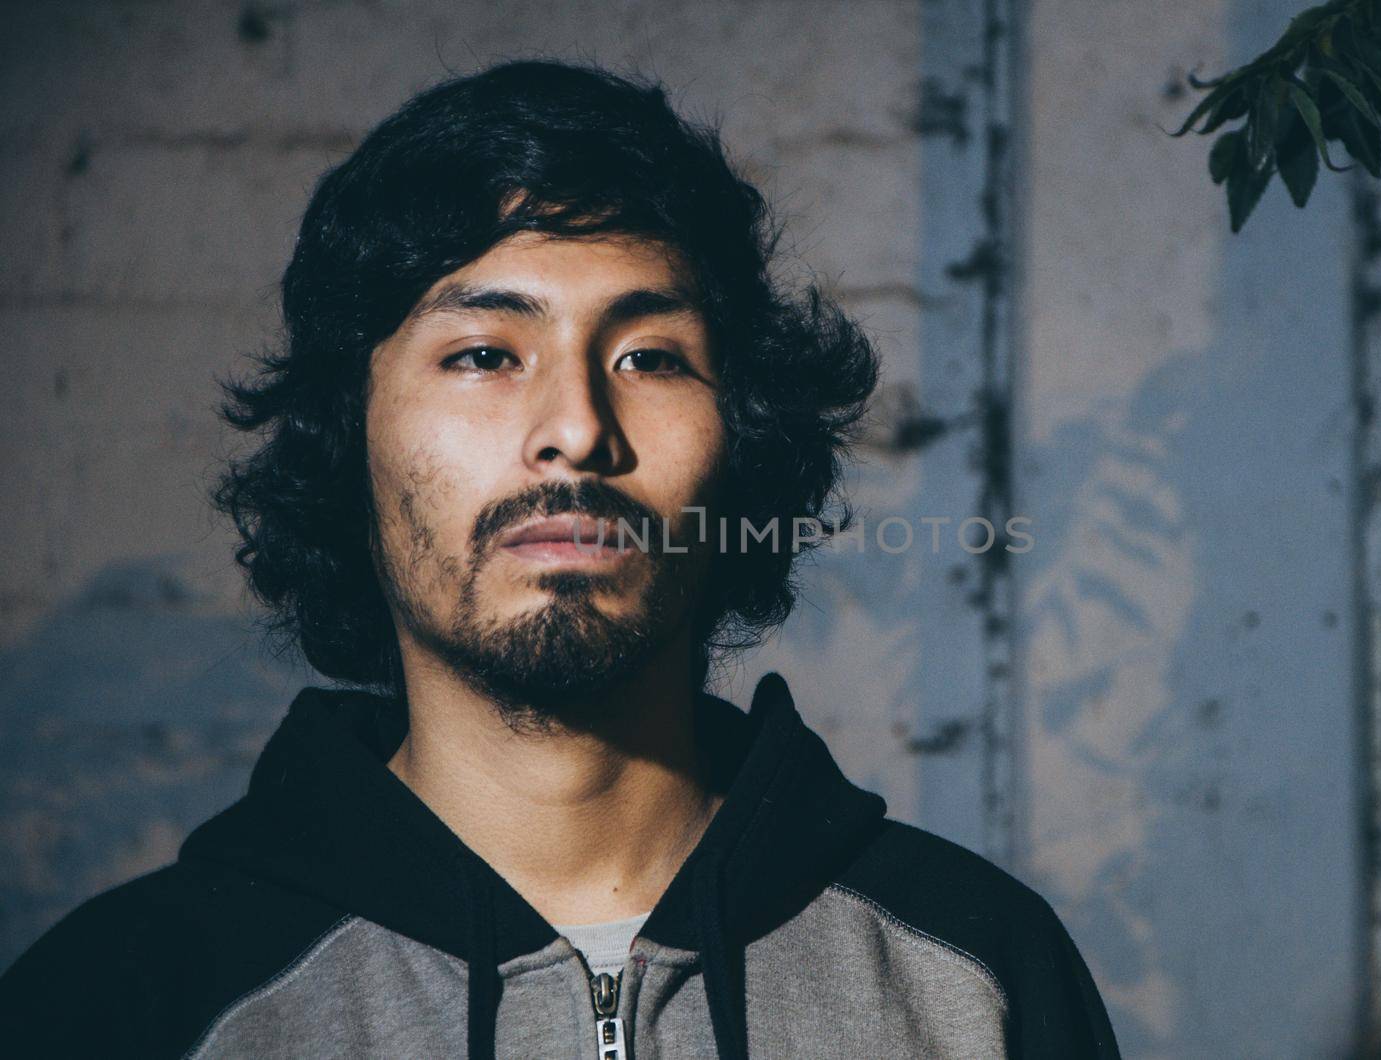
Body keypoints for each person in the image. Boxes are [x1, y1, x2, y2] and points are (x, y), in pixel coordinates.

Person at [0, 59, 1119, 1059]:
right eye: (485, 353)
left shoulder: (979, 978)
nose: (577, 427)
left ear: (741, 438)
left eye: (648, 355)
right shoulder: (130, 1003)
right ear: (352, 437)